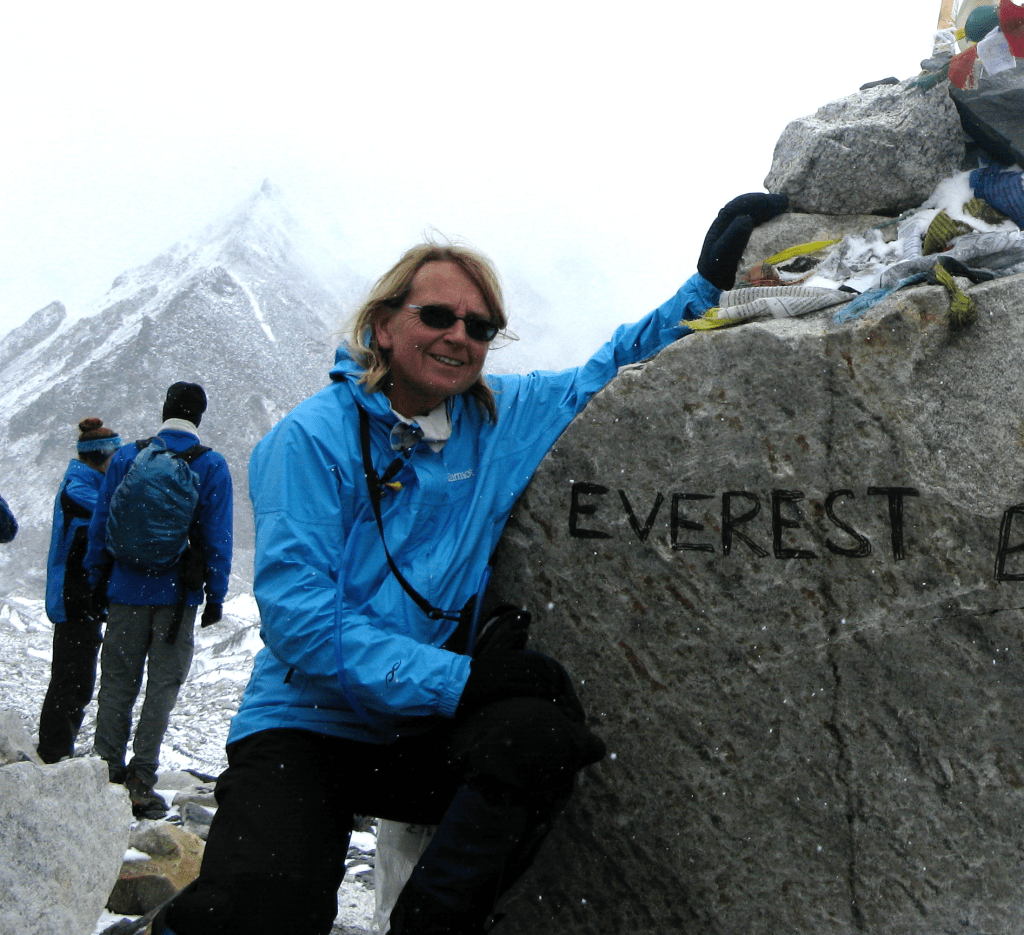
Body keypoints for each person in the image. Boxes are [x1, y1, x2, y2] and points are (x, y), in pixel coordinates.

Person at [161, 193, 787, 935]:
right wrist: (461, 681)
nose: (458, 335)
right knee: (261, 910)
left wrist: (705, 287)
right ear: (382, 326)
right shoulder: (309, 441)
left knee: (541, 738)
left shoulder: (494, 420)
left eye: (479, 326)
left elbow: (605, 374)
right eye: (437, 316)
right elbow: (301, 622)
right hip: (307, 723)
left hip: (415, 728)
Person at [85, 382, 233, 818]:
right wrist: (215, 596)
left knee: (117, 683)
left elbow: (101, 522)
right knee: (161, 689)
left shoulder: (127, 458)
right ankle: (140, 780)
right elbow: (218, 537)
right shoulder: (211, 465)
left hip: (124, 590)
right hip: (177, 598)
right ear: (200, 416)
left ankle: (105, 772)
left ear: (165, 410)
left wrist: (97, 577)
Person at [36, 418, 122, 764]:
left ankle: (57, 750)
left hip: (84, 597)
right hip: (73, 598)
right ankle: (53, 753)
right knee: (72, 679)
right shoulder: (79, 489)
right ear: (101, 457)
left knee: (77, 678)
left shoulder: (90, 484)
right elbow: (113, 514)